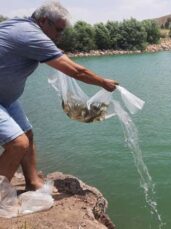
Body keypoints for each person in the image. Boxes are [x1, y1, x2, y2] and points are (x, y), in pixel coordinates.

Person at [0, 1, 118, 190]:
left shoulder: (19, 24)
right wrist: (103, 82)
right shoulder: (32, 35)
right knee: (18, 143)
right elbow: (76, 71)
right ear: (44, 21)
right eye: (58, 30)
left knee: (27, 135)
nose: (59, 36)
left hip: (6, 99)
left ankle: (32, 182)